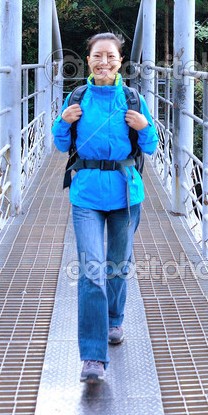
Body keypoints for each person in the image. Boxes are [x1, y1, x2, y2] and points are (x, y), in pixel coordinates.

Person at [52, 32, 158, 384]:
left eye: (110, 57)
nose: (104, 62)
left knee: (117, 264)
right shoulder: (78, 96)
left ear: (120, 62)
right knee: (91, 272)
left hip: (126, 194)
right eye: (98, 56)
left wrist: (144, 127)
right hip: (86, 194)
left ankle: (114, 319)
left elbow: (152, 145)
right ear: (88, 61)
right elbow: (59, 142)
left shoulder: (131, 98)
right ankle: (93, 357)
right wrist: (63, 121)